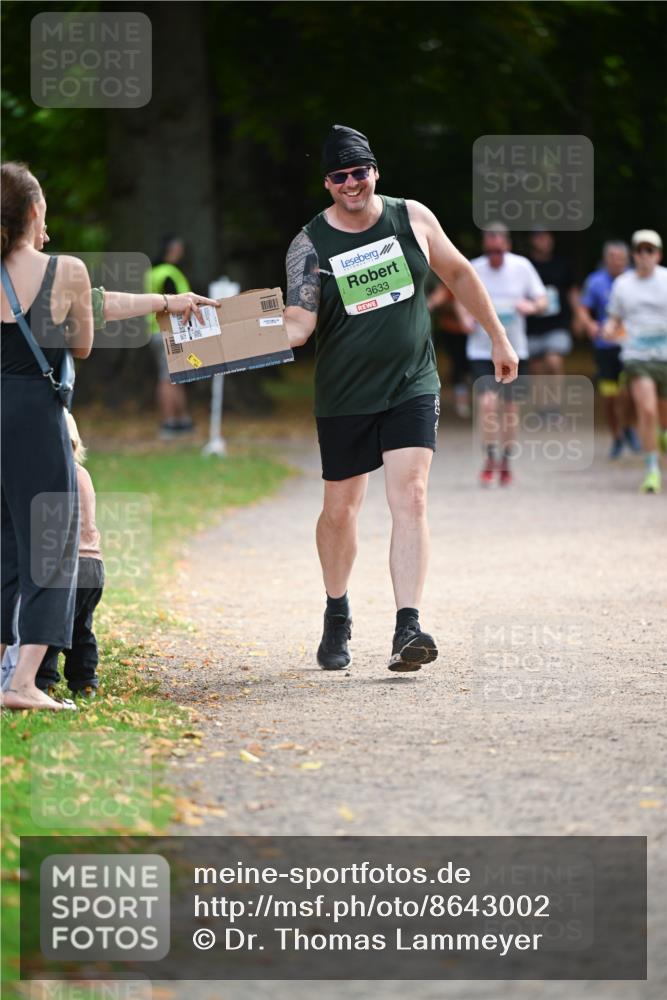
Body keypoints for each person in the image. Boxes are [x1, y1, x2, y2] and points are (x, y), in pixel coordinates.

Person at [283, 125, 518, 672]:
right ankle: (337, 610)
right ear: (327, 183)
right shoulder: (310, 243)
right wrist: (219, 337)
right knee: (341, 511)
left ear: (375, 172)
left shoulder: (411, 217)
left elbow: (458, 271)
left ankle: (407, 626)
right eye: (339, 176)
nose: (351, 184)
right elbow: (298, 324)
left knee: (410, 496)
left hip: (412, 383)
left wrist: (498, 335)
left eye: (359, 172)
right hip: (344, 394)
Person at [1, 161, 93, 711]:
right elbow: (80, 347)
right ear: (36, 212)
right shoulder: (66, 271)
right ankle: (23, 683)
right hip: (34, 414)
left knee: (5, 543)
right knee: (50, 542)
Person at [467, 225, 547, 486]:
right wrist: (464, 317)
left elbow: (543, 299)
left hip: (514, 350)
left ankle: (506, 459)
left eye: (499, 251)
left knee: (510, 409)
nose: (494, 257)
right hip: (482, 349)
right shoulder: (475, 268)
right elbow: (457, 296)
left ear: (508, 246)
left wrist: (532, 306)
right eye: (490, 251)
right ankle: (490, 457)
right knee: (489, 404)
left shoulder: (522, 267)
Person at [36, 413, 104, 699]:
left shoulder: (52, 477)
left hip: (68, 567)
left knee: (49, 626)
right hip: (94, 567)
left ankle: (42, 681)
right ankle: (85, 680)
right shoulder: (82, 475)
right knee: (80, 627)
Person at [603, 229, 667, 494]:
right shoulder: (623, 284)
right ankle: (652, 468)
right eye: (639, 251)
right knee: (647, 409)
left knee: (662, 415)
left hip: (664, 356)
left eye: (649, 251)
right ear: (633, 254)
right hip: (636, 356)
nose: (644, 256)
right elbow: (614, 319)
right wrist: (609, 329)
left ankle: (662, 436)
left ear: (658, 255)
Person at [576, 240, 640, 458]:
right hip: (605, 347)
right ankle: (617, 436)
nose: (617, 262)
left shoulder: (636, 278)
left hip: (632, 346)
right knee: (610, 396)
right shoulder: (595, 282)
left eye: (621, 258)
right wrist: (590, 324)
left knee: (631, 392)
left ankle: (630, 426)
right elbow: (583, 309)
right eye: (613, 258)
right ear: (606, 260)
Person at [144, 235, 195, 439]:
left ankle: (182, 420)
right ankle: (169, 422)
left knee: (175, 375)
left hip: (154, 331)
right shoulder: (169, 274)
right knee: (167, 378)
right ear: (172, 250)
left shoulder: (152, 272)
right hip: (168, 332)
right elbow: (175, 305)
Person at [526, 229, 577, 397]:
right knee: (537, 368)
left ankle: (555, 406)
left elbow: (573, 291)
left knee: (554, 361)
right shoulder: (526, 266)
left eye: (547, 237)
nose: (544, 241)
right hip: (532, 325)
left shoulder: (562, 264)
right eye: (539, 238)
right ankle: (542, 408)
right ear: (533, 241)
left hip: (557, 323)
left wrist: (579, 316)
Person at [427, 281, 473, 417]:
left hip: (474, 333)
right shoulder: (448, 284)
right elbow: (434, 301)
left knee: (470, 367)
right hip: (452, 331)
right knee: (458, 366)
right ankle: (461, 403)